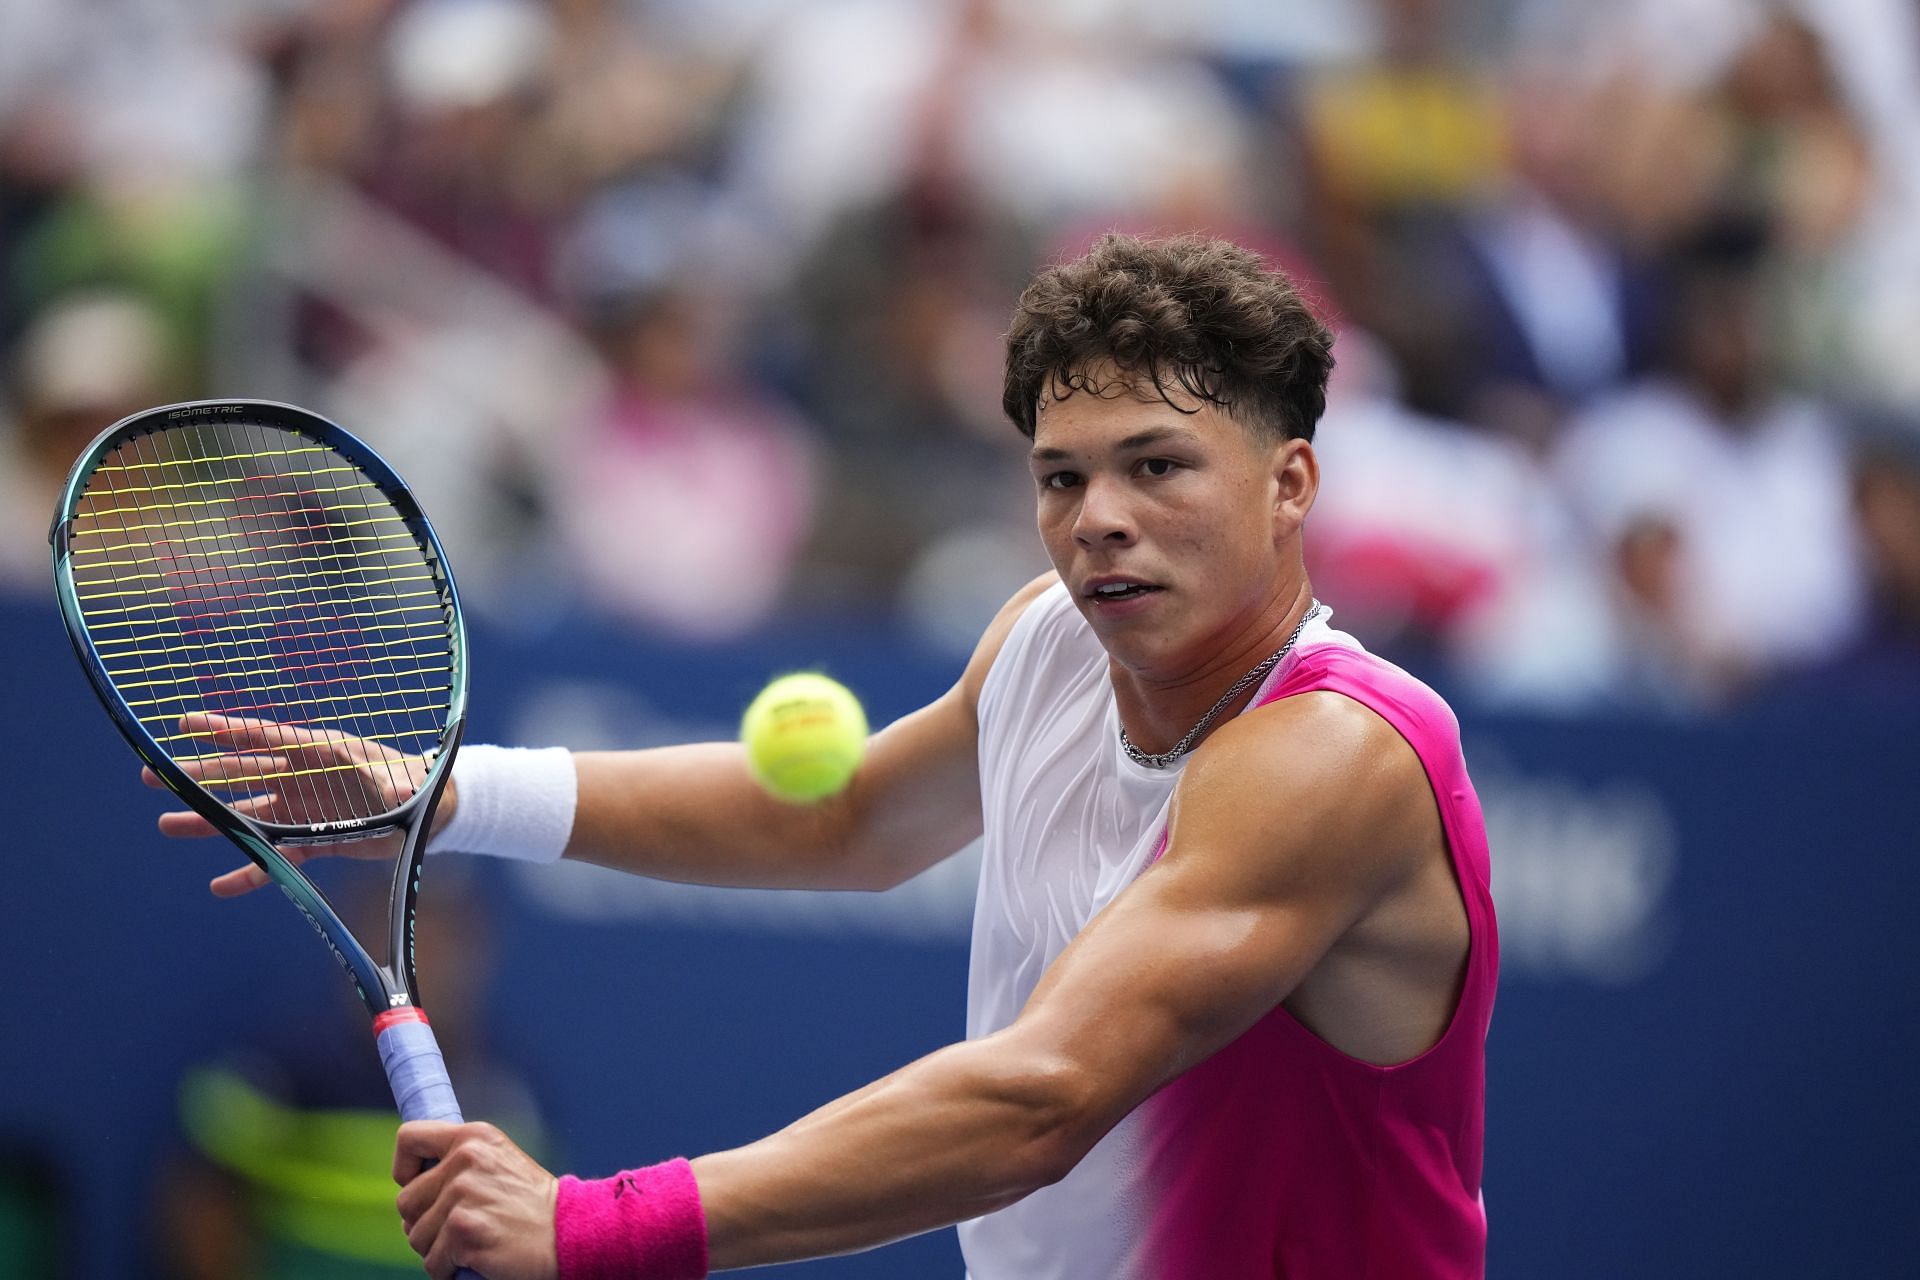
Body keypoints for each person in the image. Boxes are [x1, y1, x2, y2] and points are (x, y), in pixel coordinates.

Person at [157, 234, 1497, 1278]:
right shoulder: (1047, 641)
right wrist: (443, 798)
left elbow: (1040, 1096)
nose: (1098, 521)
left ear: (1292, 485)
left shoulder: (1334, 752)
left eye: (1158, 466)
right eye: (1061, 477)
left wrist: (596, 1226)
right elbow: (848, 817)